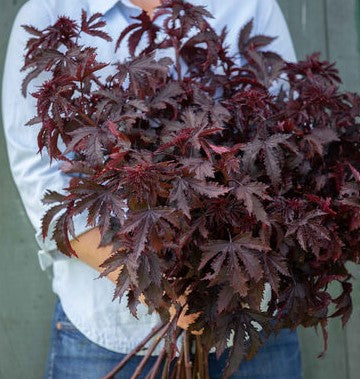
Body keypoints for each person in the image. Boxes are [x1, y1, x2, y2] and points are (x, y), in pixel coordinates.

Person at [2, 0, 303, 377]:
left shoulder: (250, 5)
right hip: (111, 336)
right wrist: (162, 291)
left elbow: (294, 136)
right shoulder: (47, 12)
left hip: (248, 320)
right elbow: (39, 176)